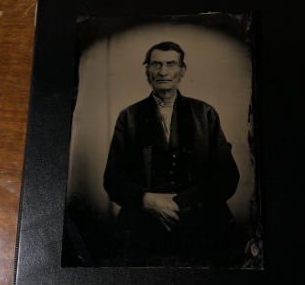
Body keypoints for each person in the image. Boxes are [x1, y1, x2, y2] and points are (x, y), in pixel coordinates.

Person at [103, 41, 243, 267]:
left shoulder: (205, 113)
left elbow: (227, 176)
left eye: (171, 64)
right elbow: (112, 179)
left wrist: (183, 203)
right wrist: (148, 201)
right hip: (144, 227)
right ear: (147, 70)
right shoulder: (128, 117)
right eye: (156, 64)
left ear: (182, 70)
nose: (163, 71)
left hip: (202, 224)